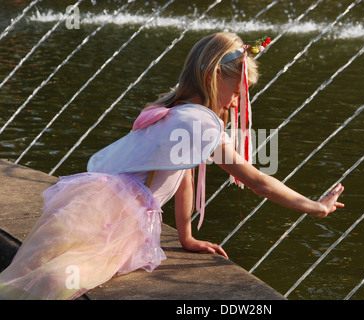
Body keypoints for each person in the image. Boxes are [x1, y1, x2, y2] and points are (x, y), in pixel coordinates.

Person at [0, 32, 344, 300]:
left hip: (95, 204)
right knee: (58, 278)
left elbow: (182, 175)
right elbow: (257, 181)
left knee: (35, 272)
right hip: (113, 216)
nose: (239, 101)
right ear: (213, 76)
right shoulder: (200, 122)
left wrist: (186, 236)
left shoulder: (177, 111)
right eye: (238, 91)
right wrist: (314, 207)